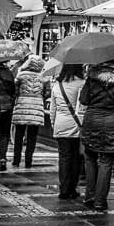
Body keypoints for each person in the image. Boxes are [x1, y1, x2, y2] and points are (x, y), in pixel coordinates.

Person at [79, 57, 114, 211]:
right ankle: (100, 201)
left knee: (90, 157)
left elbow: (83, 99)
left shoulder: (92, 76)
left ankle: (89, 195)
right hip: (113, 122)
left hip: (92, 120)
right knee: (106, 161)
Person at [49, 63, 85, 199]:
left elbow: (53, 109)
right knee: (76, 158)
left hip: (61, 124)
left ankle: (63, 188)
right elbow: (83, 107)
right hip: (77, 125)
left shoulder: (57, 85)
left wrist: (53, 124)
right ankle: (72, 188)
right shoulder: (82, 83)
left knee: (64, 157)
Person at [10, 55, 49, 169]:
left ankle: (16, 160)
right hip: (36, 108)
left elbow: (15, 91)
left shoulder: (20, 75)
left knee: (19, 135)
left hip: (21, 106)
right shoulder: (44, 77)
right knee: (32, 136)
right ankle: (28, 161)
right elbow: (47, 94)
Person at [0, 58, 17, 172]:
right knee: (4, 134)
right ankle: (3, 158)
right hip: (7, 106)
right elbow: (13, 90)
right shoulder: (8, 73)